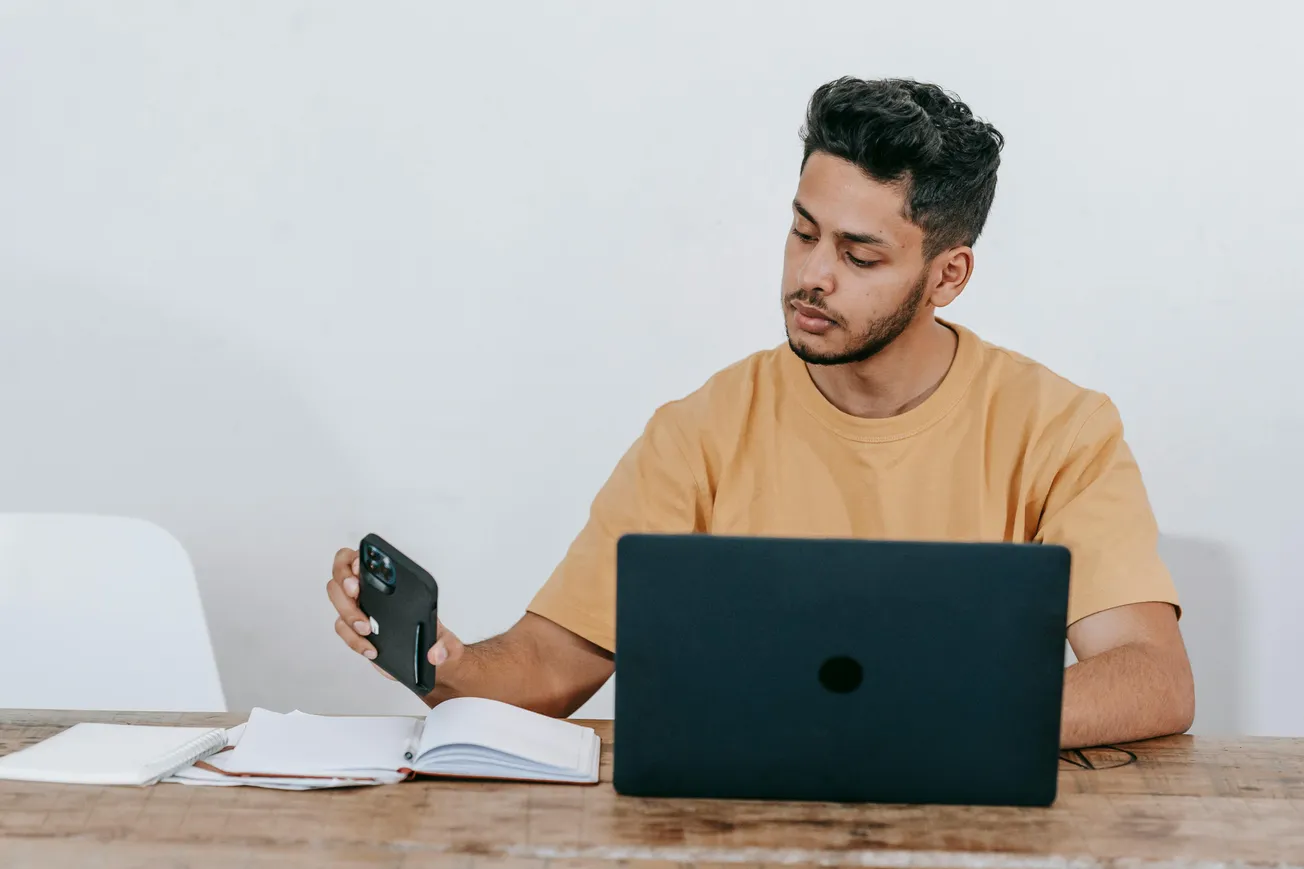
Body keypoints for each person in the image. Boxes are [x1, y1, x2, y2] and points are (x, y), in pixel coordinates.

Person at [326, 77, 1194, 749]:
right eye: (803, 231)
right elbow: (553, 663)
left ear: (948, 275)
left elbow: (1152, 678)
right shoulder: (701, 430)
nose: (811, 275)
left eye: (858, 254)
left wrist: (913, 719)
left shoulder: (1058, 427)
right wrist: (446, 662)